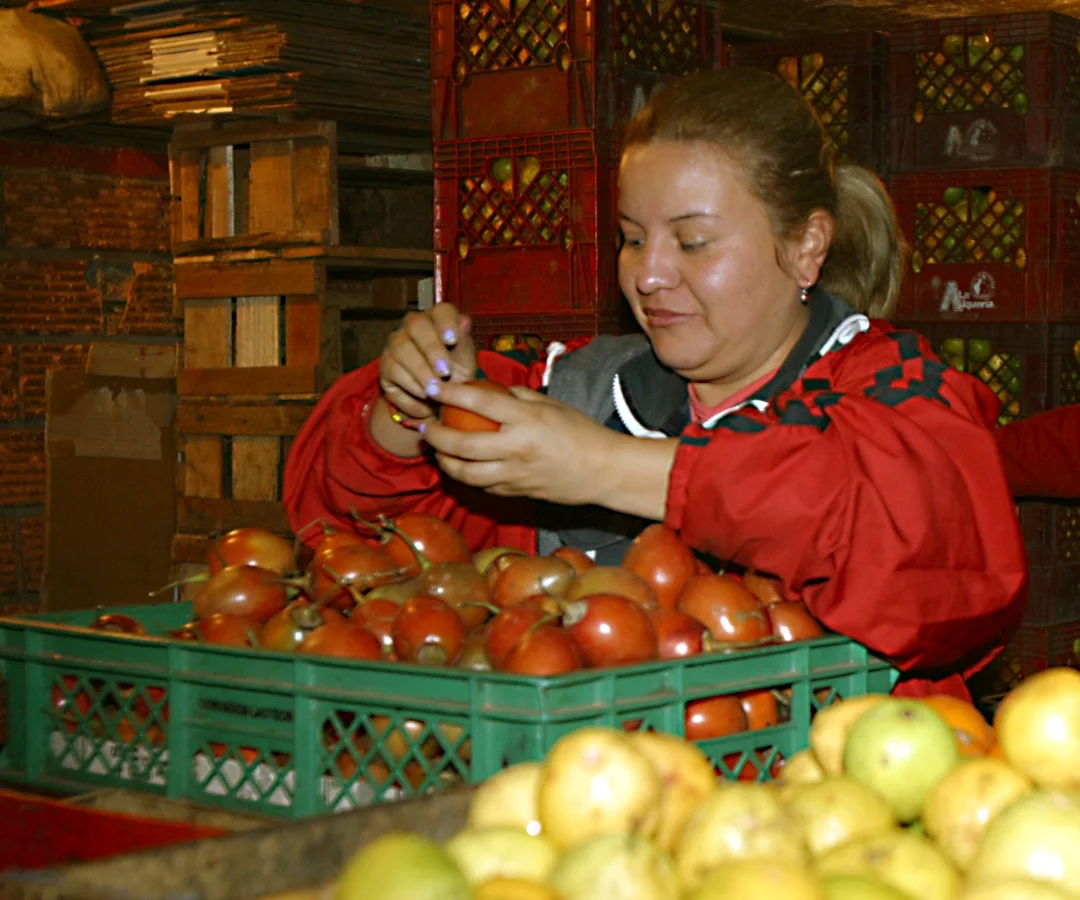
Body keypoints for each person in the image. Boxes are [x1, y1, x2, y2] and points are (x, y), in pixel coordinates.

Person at [284, 68, 1027, 701]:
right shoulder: (579, 390)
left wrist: (606, 468)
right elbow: (374, 556)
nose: (647, 274)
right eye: (632, 238)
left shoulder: (896, 391)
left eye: (692, 242)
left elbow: (926, 548)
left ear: (806, 246)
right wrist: (406, 410)